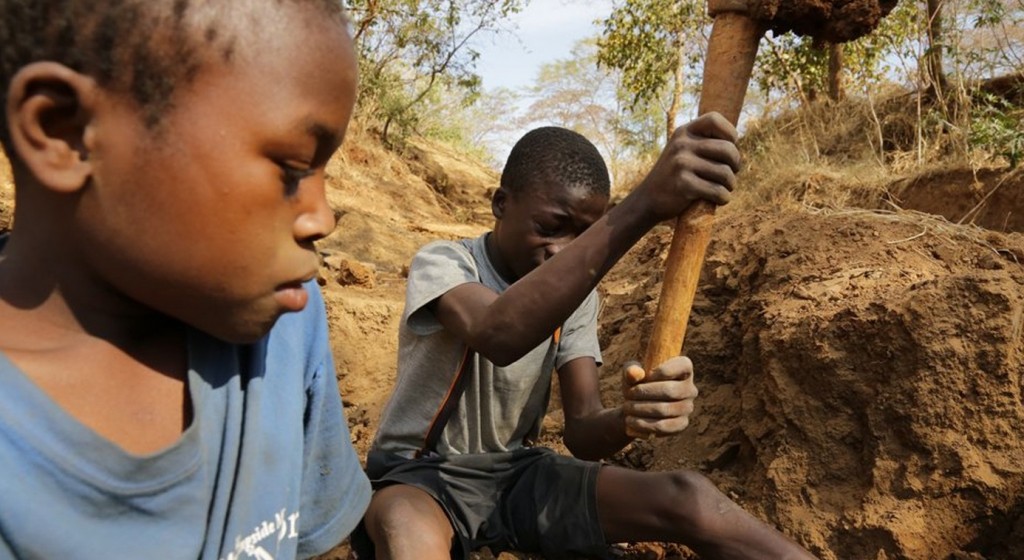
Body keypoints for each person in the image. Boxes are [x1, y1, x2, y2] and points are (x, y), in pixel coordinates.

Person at [0, 1, 370, 558]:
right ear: (66, 132)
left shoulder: (288, 325)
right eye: (294, 170)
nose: (322, 219)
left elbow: (322, 542)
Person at [358, 125, 818, 559]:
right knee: (405, 525)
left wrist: (630, 419)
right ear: (501, 203)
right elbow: (498, 334)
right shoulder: (444, 263)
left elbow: (582, 432)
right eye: (551, 226)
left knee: (689, 496)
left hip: (516, 477)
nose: (563, 248)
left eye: (581, 232)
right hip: (419, 479)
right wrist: (642, 207)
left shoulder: (577, 301)